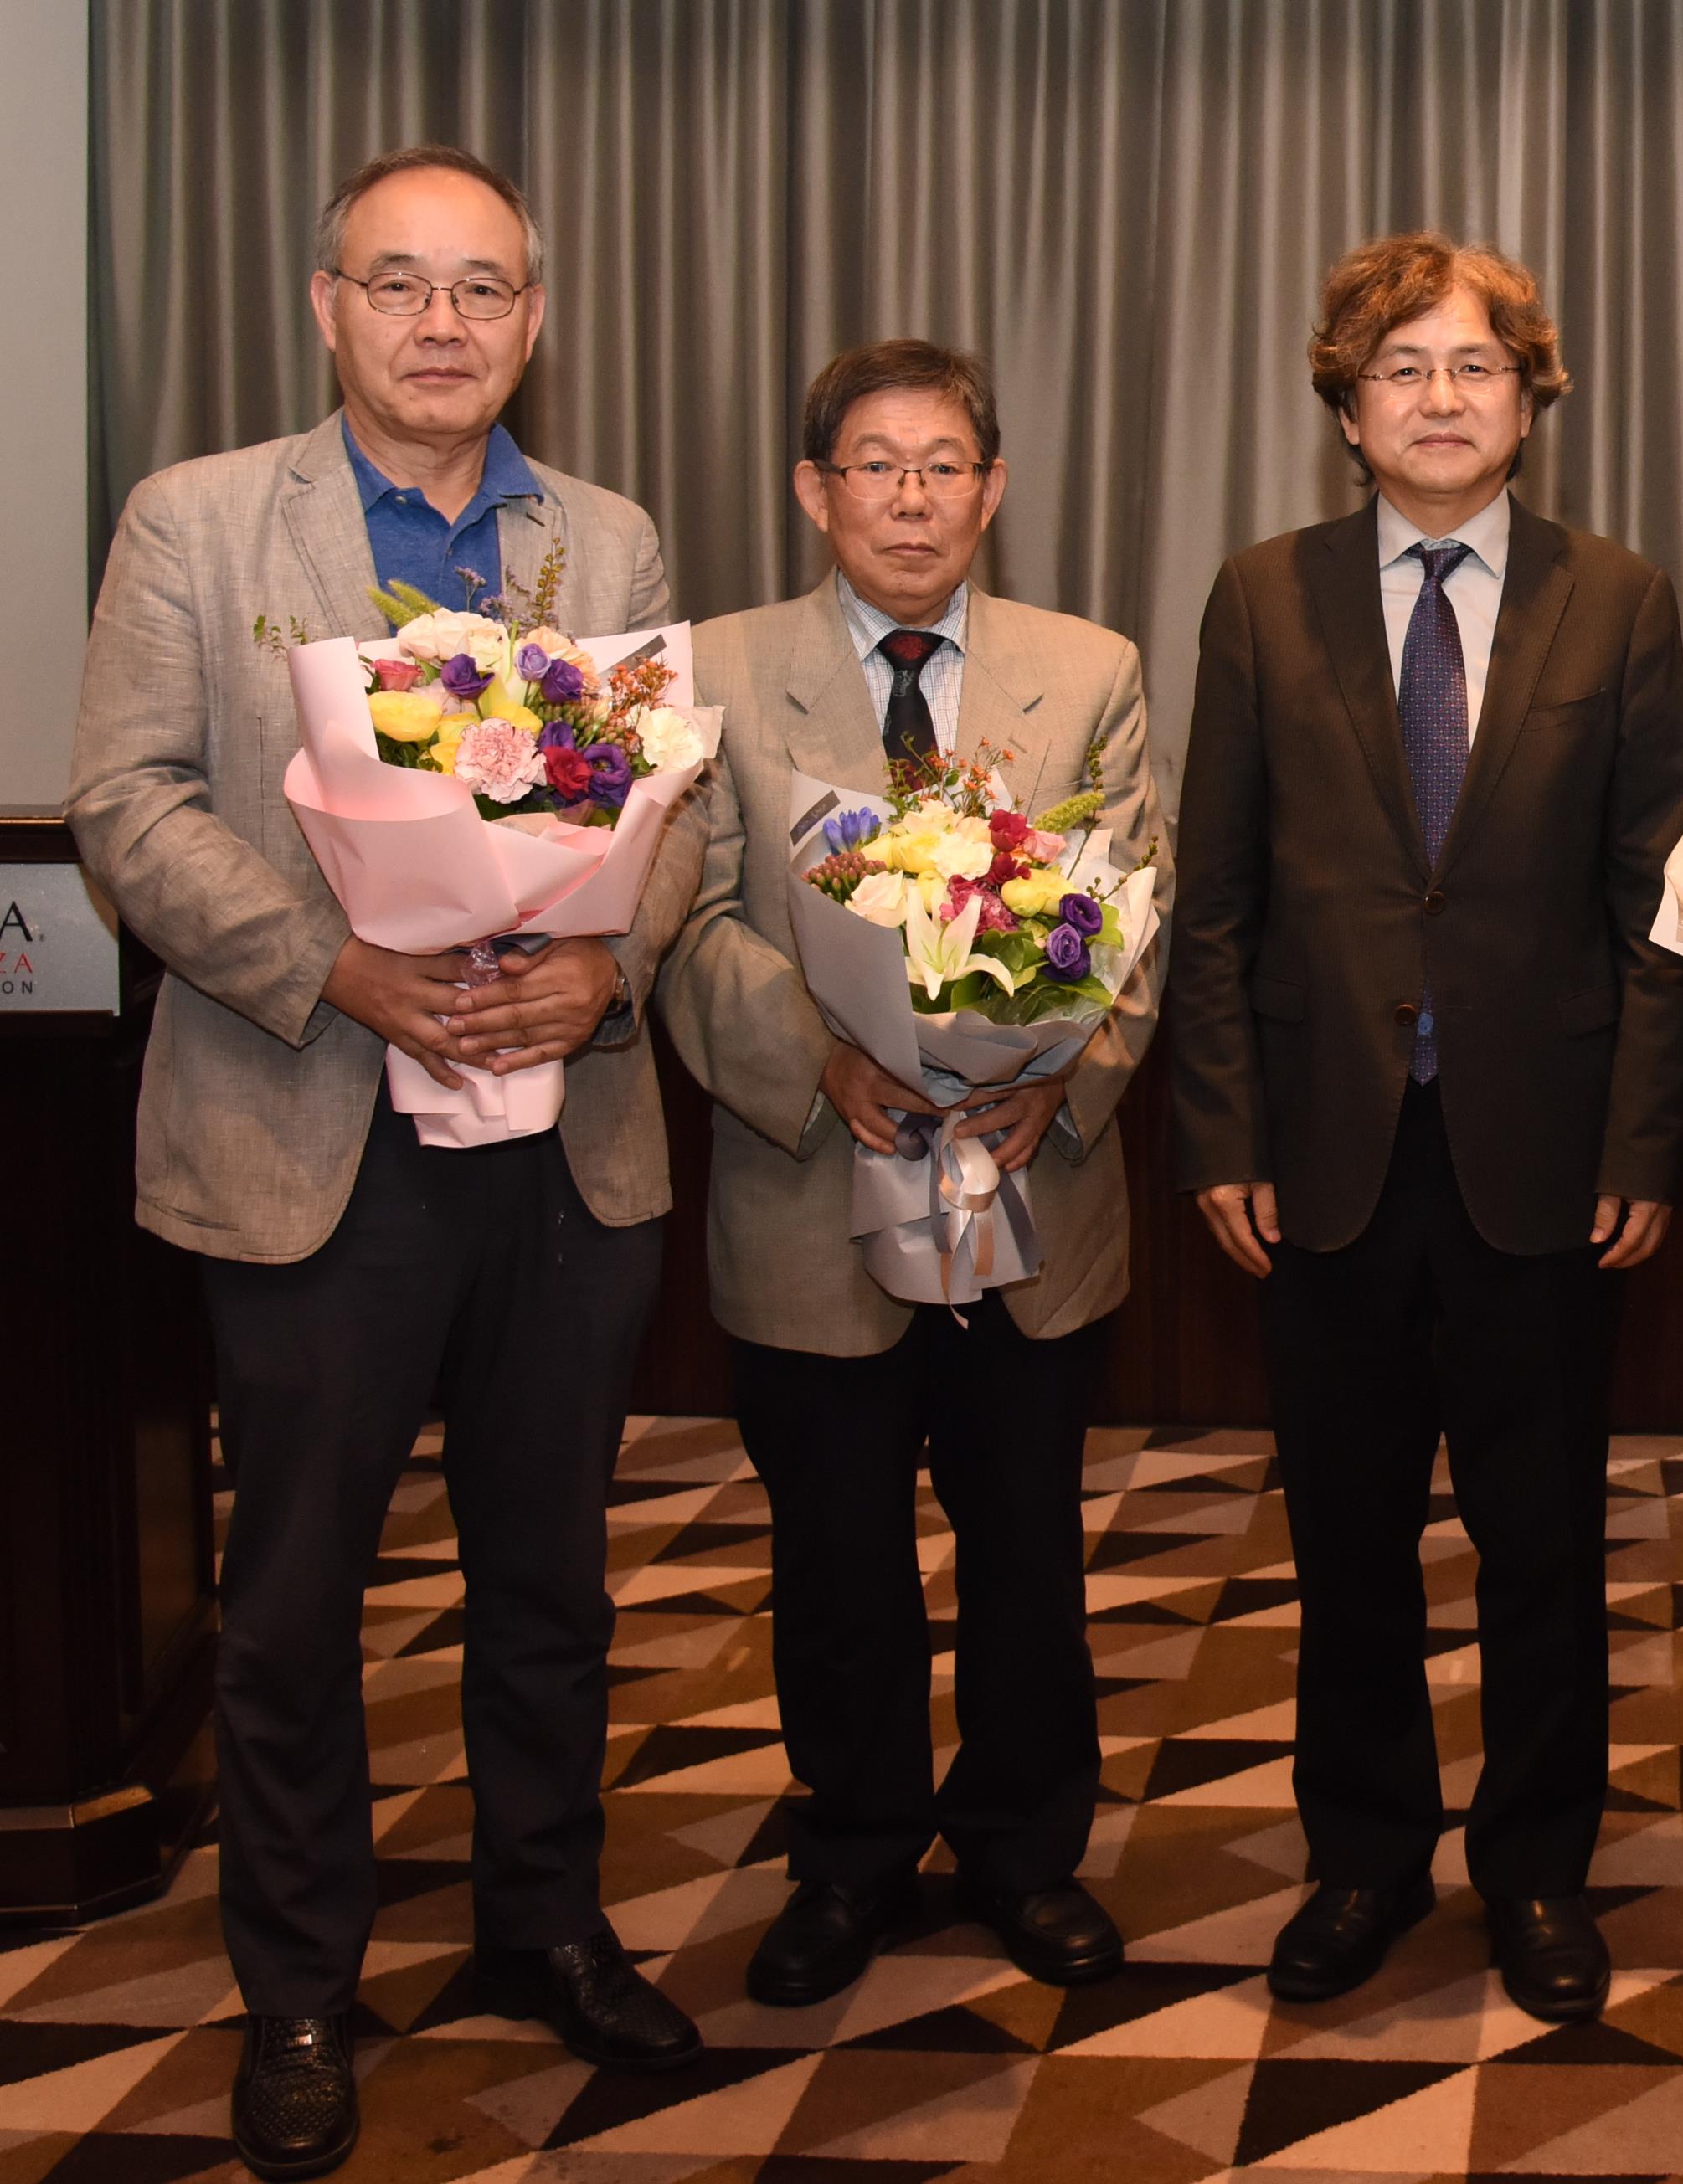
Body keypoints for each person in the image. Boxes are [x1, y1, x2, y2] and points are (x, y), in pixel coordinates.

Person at [66, 145, 702, 2180]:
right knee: (292, 1601)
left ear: (535, 318)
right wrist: (335, 966)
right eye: (401, 284)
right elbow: (128, 805)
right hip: (307, 1124)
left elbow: (675, 803)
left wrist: (609, 965)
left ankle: (547, 1922)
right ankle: (299, 1988)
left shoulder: (607, 537)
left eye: (484, 287)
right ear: (327, 306)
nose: (444, 323)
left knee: (551, 1578)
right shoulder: (196, 519)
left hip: (561, 1146)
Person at [1166, 233, 1683, 2022]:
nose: (1441, 398)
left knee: (1545, 1543)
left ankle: (1537, 1866)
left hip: (1542, 1157)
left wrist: (1641, 1145)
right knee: (1348, 1544)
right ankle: (1365, 1857)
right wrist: (1220, 1130)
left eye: (1476, 366)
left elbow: (1657, 903)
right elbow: (1216, 898)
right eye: (1402, 369)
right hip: (1325, 1155)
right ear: (1347, 407)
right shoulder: (1263, 595)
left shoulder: (1618, 597)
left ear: (1530, 399)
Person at [657, 339, 1161, 2007]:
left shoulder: (1086, 669)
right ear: (816, 491)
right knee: (837, 1556)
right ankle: (855, 1851)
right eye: (875, 465)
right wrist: (822, 1056)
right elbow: (688, 921)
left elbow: (1138, 906)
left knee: (1029, 1548)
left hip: (1031, 1188)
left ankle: (1025, 1848)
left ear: (992, 489)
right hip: (813, 1184)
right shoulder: (718, 668)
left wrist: (1065, 1073)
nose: (911, 498)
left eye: (944, 465)